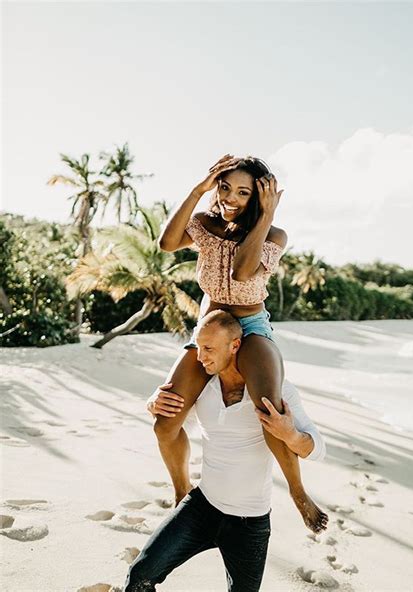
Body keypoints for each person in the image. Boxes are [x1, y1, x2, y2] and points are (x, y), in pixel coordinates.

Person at [152, 154, 327, 533]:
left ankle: (298, 492)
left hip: (250, 326)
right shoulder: (204, 224)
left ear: (259, 198)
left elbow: (242, 270)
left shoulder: (274, 235)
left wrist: (264, 217)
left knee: (271, 411)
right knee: (165, 421)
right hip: (211, 325)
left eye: (243, 192)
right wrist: (199, 190)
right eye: (225, 187)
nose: (231, 197)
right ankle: (182, 490)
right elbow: (167, 243)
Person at [124, 310, 326, 592]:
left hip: (250, 524)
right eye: (198, 347)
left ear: (235, 346)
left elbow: (318, 449)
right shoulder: (204, 388)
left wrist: (290, 434)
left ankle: (298, 494)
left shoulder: (277, 391)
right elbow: (173, 426)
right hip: (200, 508)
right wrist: (153, 403)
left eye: (208, 349)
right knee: (139, 578)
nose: (199, 357)